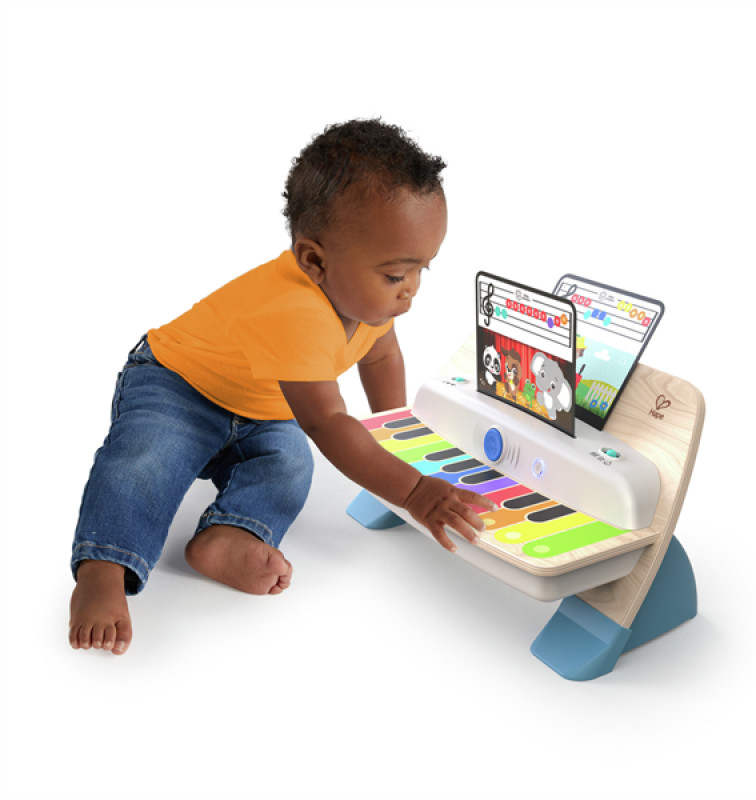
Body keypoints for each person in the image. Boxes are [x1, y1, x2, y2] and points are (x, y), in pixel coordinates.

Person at [69, 119, 496, 655]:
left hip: (264, 409)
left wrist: (395, 436)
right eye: (395, 275)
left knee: (289, 465)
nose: (409, 290)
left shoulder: (367, 302)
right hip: (178, 385)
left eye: (420, 271)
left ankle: (231, 534)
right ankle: (104, 568)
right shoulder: (297, 311)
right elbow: (327, 422)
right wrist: (412, 491)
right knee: (145, 460)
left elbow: (381, 353)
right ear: (315, 260)